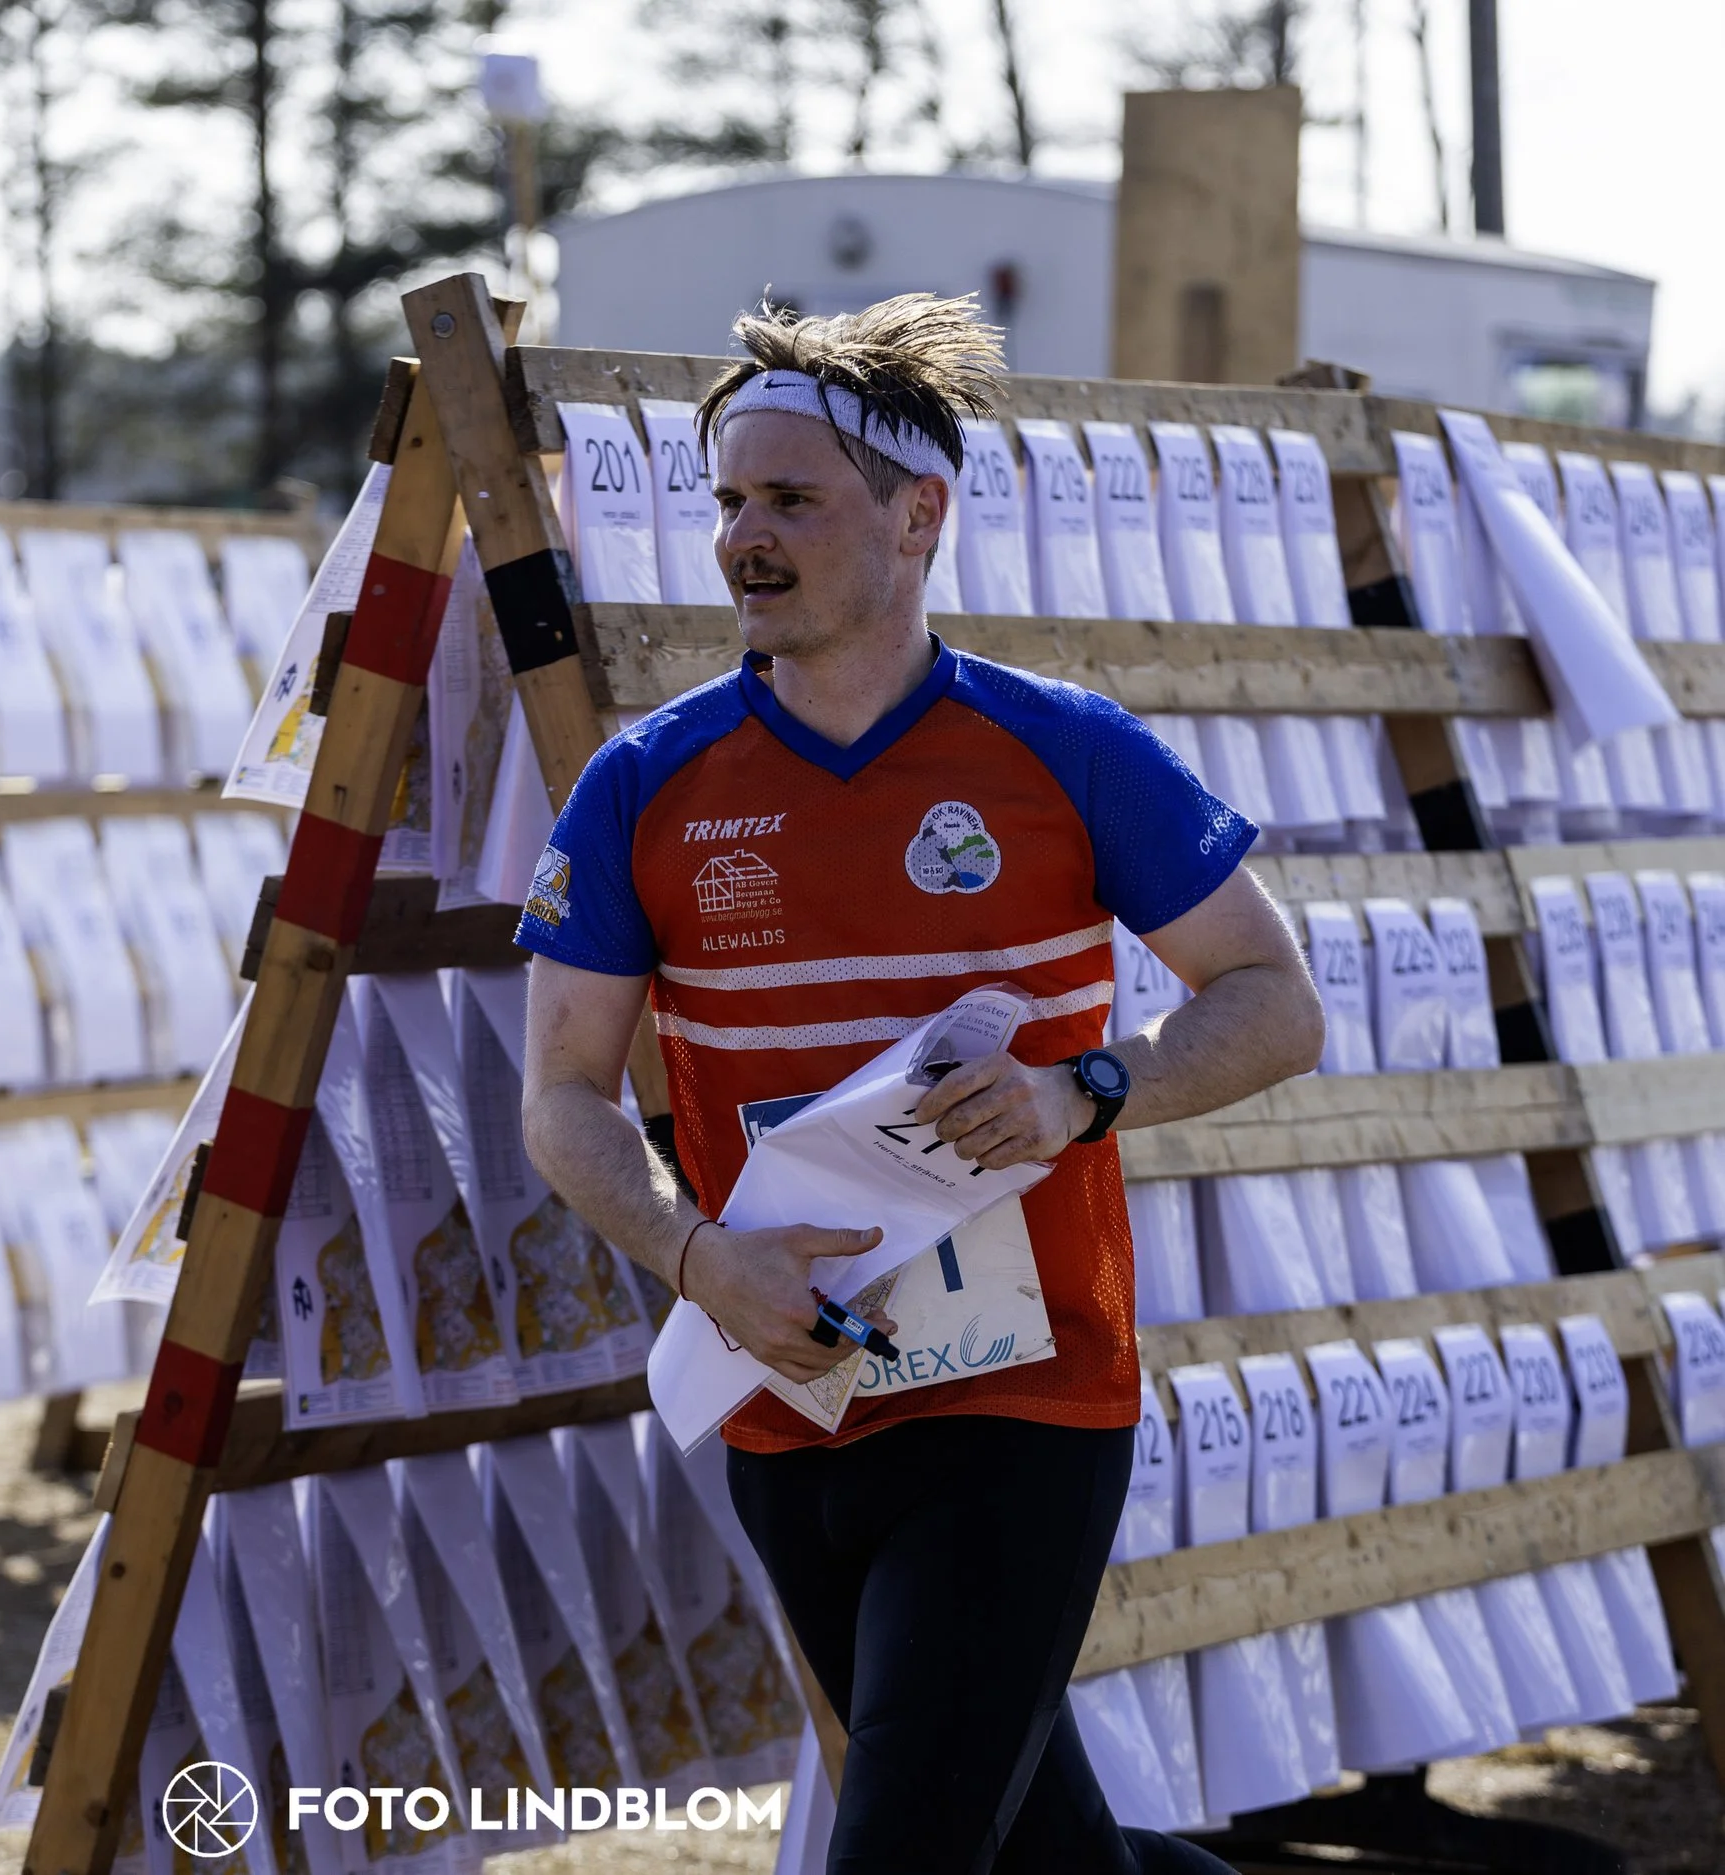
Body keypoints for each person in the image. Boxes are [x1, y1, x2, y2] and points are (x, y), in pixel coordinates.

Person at [515, 293, 1325, 1875]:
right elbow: (562, 1096)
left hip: (1027, 1400)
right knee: (1044, 1859)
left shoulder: (1065, 749)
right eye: (730, 500)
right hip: (786, 1394)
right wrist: (699, 1259)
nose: (746, 535)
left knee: (902, 1847)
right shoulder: (643, 785)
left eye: (791, 500)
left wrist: (1084, 1089)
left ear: (916, 514)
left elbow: (1275, 1000)